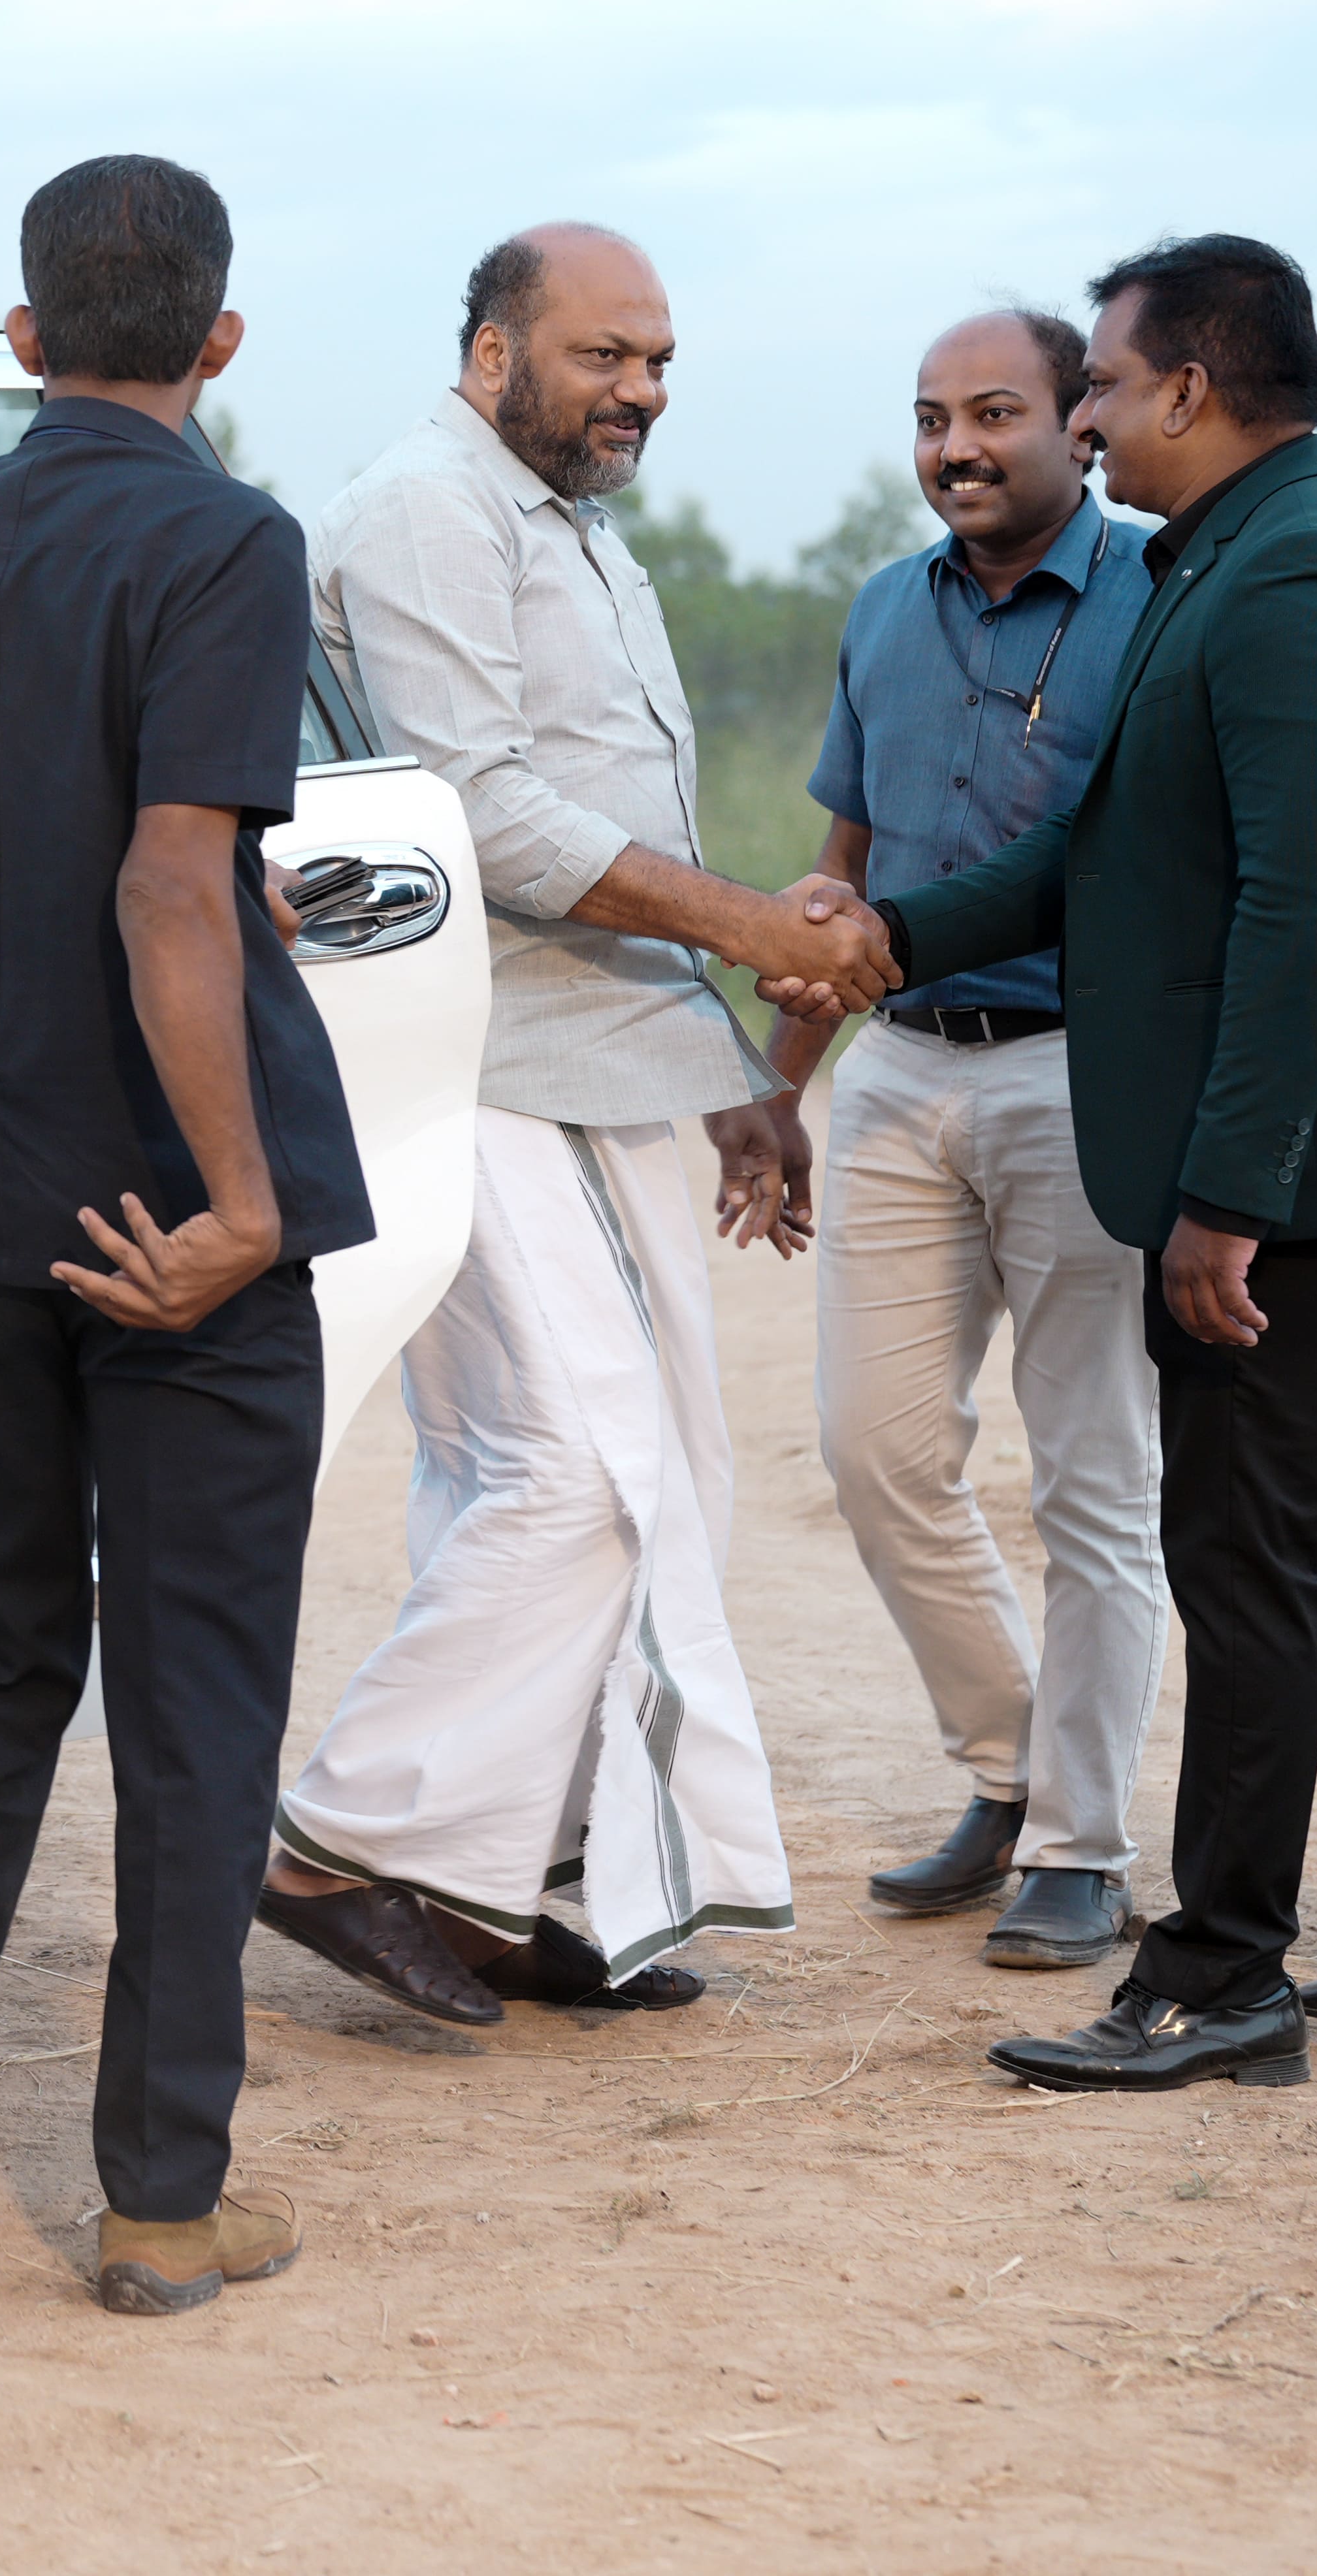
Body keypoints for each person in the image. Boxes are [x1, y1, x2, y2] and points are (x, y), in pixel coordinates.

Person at [773, 236, 1317, 2095]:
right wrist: (881, 945)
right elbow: (1103, 856)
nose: (1078, 415)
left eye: (1098, 387)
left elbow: (1310, 914)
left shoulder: (1298, 574)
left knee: (1241, 1543)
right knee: (1299, 1515)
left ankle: (1222, 1971)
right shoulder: (1223, 562)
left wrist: (1227, 1195)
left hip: (1301, 1144)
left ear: (1190, 392)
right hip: (1275, 1130)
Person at [0, 154, 370, 2319]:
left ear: (19, 334)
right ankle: (153, 2202)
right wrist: (242, 1201)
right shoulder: (225, 541)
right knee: (196, 1688)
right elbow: (168, 889)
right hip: (176, 1219)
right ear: (216, 340)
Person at [262, 223, 890, 2029]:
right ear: (489, 354)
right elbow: (484, 812)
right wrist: (764, 939)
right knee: (571, 1476)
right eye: (606, 354)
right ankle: (339, 1842)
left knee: (654, 1477)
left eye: (659, 362)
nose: (641, 390)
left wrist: (735, 1071)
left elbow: (614, 824)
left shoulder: (574, 532)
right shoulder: (423, 508)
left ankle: (508, 1888)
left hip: (593, 1056)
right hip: (466, 1055)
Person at [768, 311, 1166, 1971]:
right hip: (899, 1070)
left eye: (993, 411)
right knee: (875, 1454)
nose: (956, 446)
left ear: (1079, 422)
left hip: (1085, 1073)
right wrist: (778, 1077)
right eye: (931, 417)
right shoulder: (882, 607)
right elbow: (843, 863)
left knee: (1092, 1477)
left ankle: (1081, 1842)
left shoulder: (1163, 594)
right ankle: (1009, 1769)